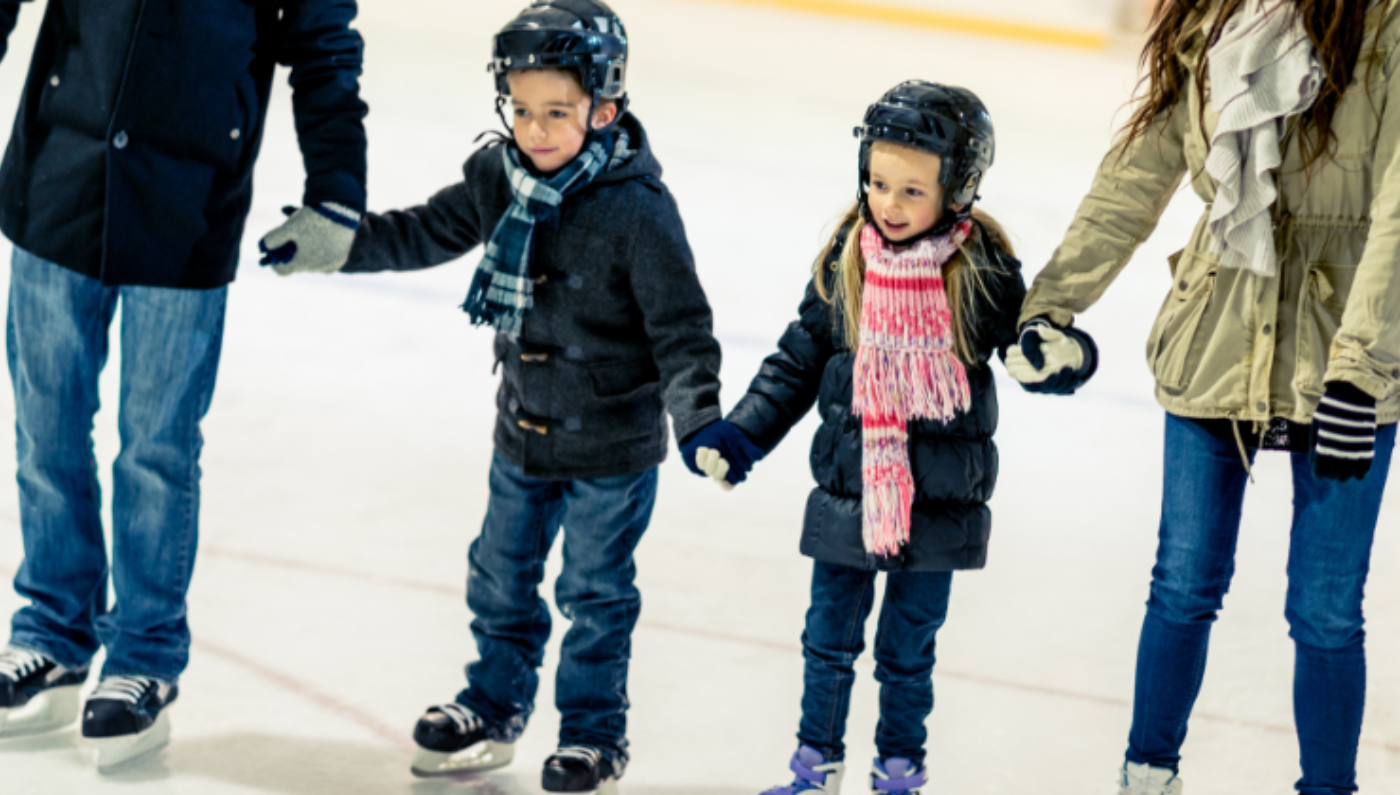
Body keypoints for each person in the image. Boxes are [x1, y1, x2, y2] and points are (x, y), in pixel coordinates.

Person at [293, 1, 723, 789]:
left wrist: (700, 422)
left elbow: (683, 333)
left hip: (610, 445)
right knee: (499, 572)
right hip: (522, 427)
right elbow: (426, 230)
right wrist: (341, 245)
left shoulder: (637, 210)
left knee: (594, 593)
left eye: (558, 112)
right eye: (521, 109)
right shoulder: (499, 176)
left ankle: (594, 732)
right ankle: (492, 703)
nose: (536, 130)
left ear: (605, 105)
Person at [1008, 1, 1400, 793]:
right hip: (1217, 327)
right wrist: (1052, 303)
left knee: (1324, 608)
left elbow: (1397, 209)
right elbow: (1137, 174)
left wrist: (1361, 365)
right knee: (1183, 582)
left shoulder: (1387, 25)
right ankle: (1148, 773)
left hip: (1342, 349)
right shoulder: (1210, 20)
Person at [687, 81, 1086, 795]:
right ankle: (816, 768)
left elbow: (1027, 345)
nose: (889, 204)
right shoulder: (850, 258)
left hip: (937, 500)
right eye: (877, 182)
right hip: (851, 488)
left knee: (908, 650)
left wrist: (1058, 359)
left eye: (911, 190)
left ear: (958, 189)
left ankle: (899, 769)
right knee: (827, 641)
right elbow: (798, 359)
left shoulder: (981, 269)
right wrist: (743, 433)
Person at [0, 0, 368, 773]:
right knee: (46, 427)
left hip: (187, 200)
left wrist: (335, 187)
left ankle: (145, 654)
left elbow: (324, 42)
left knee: (157, 448)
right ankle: (52, 634)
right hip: (58, 176)